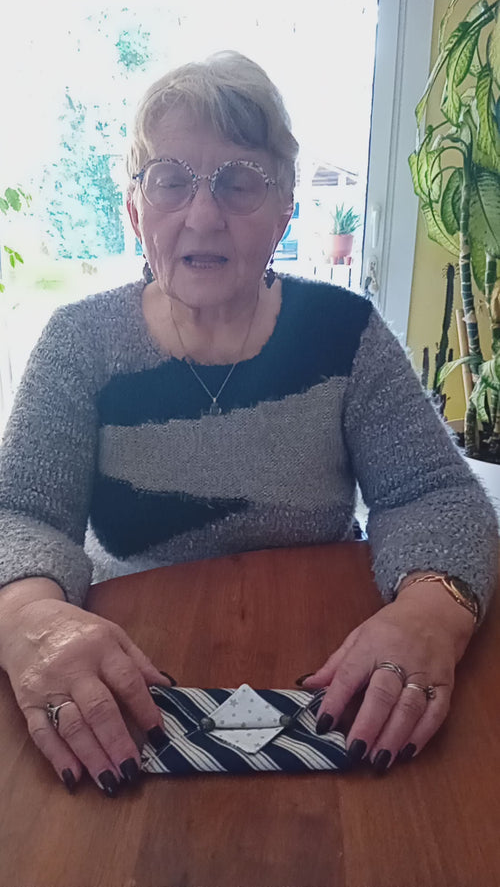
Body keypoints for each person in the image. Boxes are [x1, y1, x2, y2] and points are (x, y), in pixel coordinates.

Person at [0, 51, 497, 799]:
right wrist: (27, 613)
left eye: (240, 182)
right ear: (135, 210)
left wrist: (432, 612)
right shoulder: (78, 342)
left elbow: (435, 493)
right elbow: (20, 514)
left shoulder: (345, 333)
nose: (203, 216)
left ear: (286, 210)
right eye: (171, 181)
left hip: (329, 676)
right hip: (131, 683)